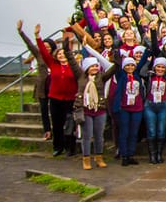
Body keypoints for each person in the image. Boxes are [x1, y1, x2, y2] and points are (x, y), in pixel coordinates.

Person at [63, 37, 115, 169]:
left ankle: (99, 157)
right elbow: (72, 62)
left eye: (96, 66)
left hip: (99, 109)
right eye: (92, 66)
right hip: (85, 110)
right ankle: (86, 159)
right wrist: (66, 47)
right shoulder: (81, 76)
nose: (94, 68)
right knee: (87, 136)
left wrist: (116, 57)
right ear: (86, 68)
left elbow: (114, 68)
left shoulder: (101, 77)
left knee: (99, 136)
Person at [35, 25, 77, 157]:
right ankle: (58, 147)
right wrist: (38, 37)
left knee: (70, 125)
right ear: (56, 56)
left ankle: (70, 148)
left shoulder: (74, 66)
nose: (61, 55)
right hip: (55, 99)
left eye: (64, 53)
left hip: (70, 99)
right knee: (57, 124)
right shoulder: (53, 65)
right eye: (59, 53)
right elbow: (43, 51)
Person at [17, 20, 52, 141]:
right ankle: (47, 130)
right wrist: (21, 32)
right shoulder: (39, 56)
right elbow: (30, 45)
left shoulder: (57, 57)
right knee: (43, 109)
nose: (46, 49)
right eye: (44, 47)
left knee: (55, 109)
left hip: (54, 86)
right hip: (42, 86)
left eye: (48, 47)